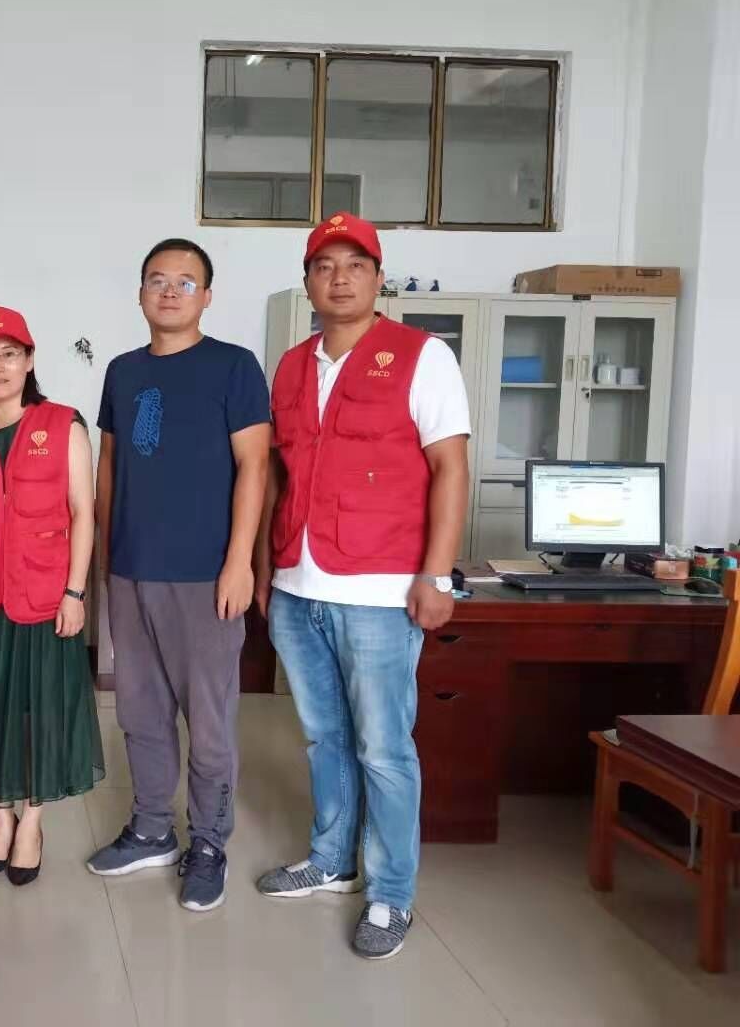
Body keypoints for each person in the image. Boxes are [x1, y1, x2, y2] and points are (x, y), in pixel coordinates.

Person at [254, 212, 471, 961]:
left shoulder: (422, 356)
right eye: (325, 266)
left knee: (383, 747)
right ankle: (331, 859)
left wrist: (436, 573)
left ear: (379, 278)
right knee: (325, 737)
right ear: (308, 281)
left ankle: (390, 893)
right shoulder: (291, 366)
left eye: (355, 265)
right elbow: (278, 474)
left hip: (380, 589)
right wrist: (266, 570)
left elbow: (450, 467)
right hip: (298, 583)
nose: (339, 278)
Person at [86, 238, 271, 913]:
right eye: (157, 280)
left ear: (207, 296)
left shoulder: (233, 366)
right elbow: (111, 465)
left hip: (204, 576)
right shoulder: (122, 371)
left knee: (209, 720)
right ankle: (151, 829)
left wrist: (239, 562)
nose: (169, 291)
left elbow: (255, 466)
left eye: (185, 282)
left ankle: (210, 843)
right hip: (132, 569)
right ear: (140, 292)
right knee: (140, 711)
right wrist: (106, 556)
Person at [0, 306, 105, 886]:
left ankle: (32, 823)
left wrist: (75, 591)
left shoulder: (63, 424)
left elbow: (83, 513)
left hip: (44, 594)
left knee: (39, 708)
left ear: (29, 360)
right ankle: (0, 819)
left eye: (9, 354)